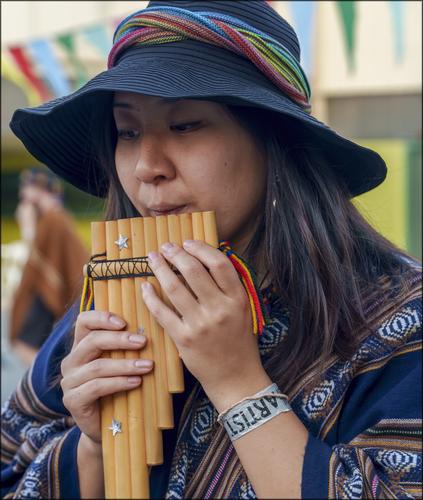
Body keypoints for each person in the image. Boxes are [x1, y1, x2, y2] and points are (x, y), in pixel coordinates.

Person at [2, 1, 421, 498]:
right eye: (128, 132)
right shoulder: (108, 310)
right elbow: (12, 464)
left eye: (185, 126)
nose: (146, 166)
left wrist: (237, 381)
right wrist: (92, 443)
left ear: (274, 143)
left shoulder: (401, 321)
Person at [9, 168, 89, 365]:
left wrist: (28, 227)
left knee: (25, 345)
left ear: (40, 189)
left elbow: (41, 261)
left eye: (27, 187)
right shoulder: (53, 217)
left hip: (45, 292)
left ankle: (46, 386)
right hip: (46, 290)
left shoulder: (54, 219)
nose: (22, 193)